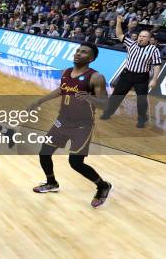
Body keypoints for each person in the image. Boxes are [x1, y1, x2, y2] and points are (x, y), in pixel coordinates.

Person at [29, 42, 112, 208]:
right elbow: (61, 90)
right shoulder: (67, 72)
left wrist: (90, 98)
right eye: (78, 51)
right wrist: (40, 100)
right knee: (44, 152)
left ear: (92, 58)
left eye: (84, 52)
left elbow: (105, 104)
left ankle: (102, 185)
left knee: (75, 163)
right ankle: (51, 183)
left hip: (82, 125)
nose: (78, 54)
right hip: (62, 121)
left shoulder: (96, 77)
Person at [100, 16, 162, 127]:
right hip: (127, 74)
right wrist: (118, 22)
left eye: (144, 37)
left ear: (149, 39)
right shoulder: (131, 43)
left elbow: (157, 65)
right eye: (140, 36)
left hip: (142, 77)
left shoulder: (154, 49)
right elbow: (119, 35)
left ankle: (142, 119)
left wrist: (154, 79)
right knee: (117, 95)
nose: (141, 38)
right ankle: (108, 113)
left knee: (142, 99)